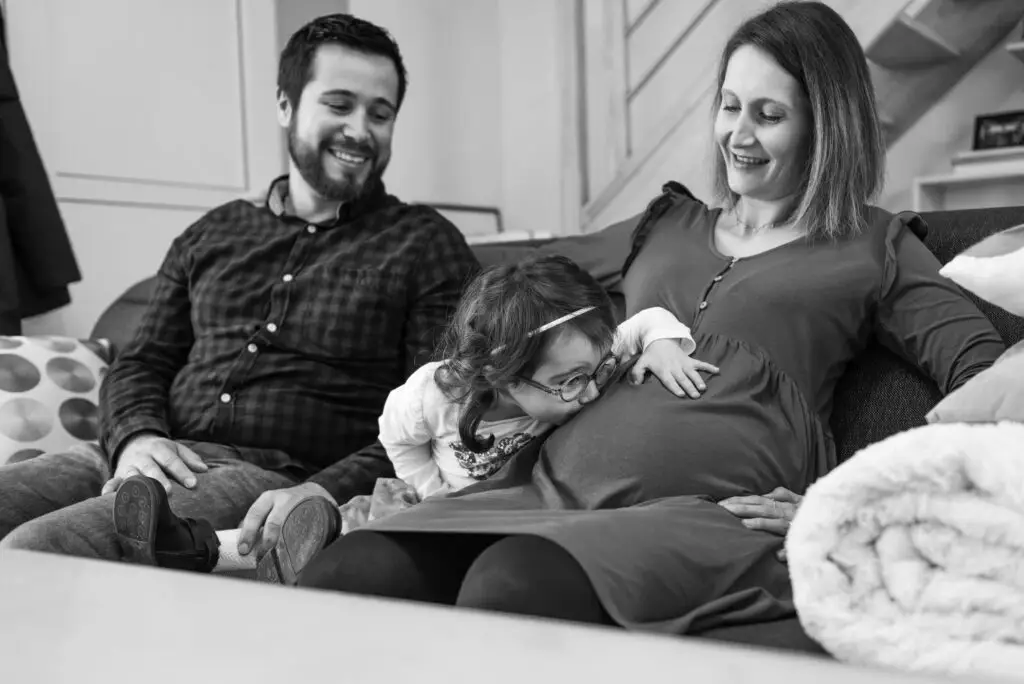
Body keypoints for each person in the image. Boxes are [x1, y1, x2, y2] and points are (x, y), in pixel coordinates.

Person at [290, 1, 1006, 652]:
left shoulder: (870, 245)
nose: (739, 135)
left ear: (827, 124)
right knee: (350, 573)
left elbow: (986, 371)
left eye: (769, 114)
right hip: (543, 486)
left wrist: (842, 504)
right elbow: (516, 278)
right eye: (729, 107)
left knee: (512, 587)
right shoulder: (667, 223)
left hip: (706, 515)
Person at [0, 14, 479, 560]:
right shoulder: (213, 233)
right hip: (132, 454)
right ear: (285, 105)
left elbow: (440, 410)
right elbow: (143, 361)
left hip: (265, 475)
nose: (360, 130)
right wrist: (136, 438)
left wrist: (323, 491)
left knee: (34, 551)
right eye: (339, 105)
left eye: (381, 113)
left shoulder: (424, 243)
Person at [111, 254, 717, 582]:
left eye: (595, 370)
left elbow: (645, 323)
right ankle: (188, 544)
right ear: (503, 375)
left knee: (337, 536)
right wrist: (432, 494)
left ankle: (263, 557)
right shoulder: (434, 394)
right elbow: (395, 438)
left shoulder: (583, 358)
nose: (590, 393)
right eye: (566, 384)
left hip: (488, 513)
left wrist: (664, 342)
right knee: (350, 527)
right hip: (430, 500)